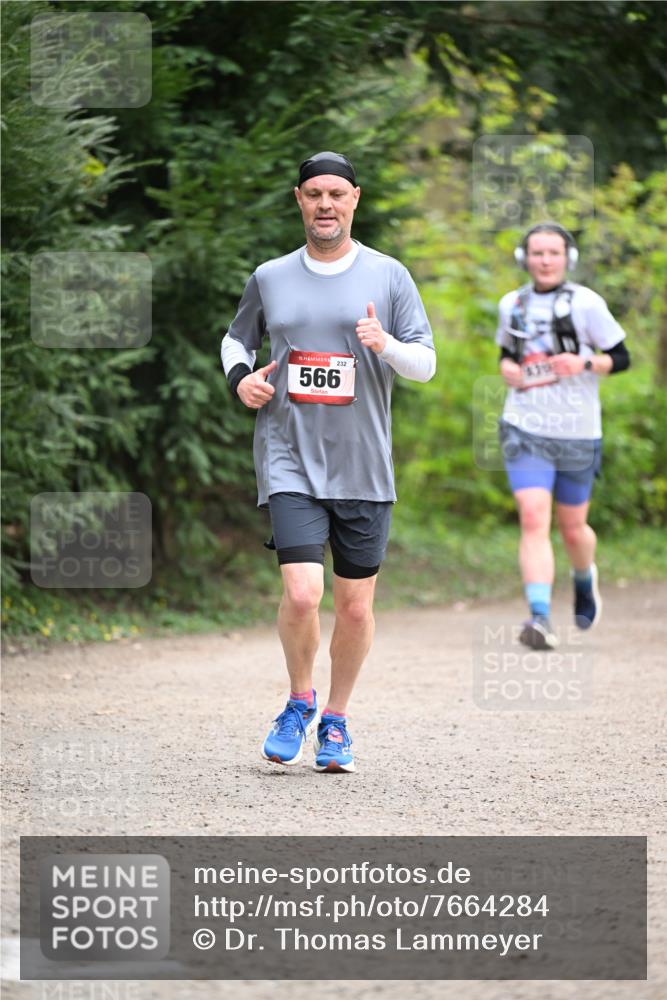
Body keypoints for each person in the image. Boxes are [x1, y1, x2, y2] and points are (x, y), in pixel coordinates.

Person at [221, 151, 435, 772]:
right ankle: (298, 701)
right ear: (299, 199)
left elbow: (426, 362)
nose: (325, 204)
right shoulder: (271, 275)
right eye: (314, 193)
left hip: (364, 463)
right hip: (289, 454)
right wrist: (241, 378)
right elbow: (239, 337)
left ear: (354, 199)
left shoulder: (389, 275)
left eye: (336, 194)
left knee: (356, 606)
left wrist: (385, 345)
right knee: (300, 592)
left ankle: (335, 720)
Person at [496, 221, 630, 650]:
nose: (545, 260)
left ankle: (584, 576)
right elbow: (506, 354)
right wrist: (508, 371)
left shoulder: (587, 304)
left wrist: (586, 365)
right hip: (525, 426)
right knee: (534, 518)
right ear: (525, 258)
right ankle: (539, 617)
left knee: (573, 529)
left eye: (553, 253)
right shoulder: (511, 303)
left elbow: (621, 357)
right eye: (537, 253)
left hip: (577, 430)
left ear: (567, 258)